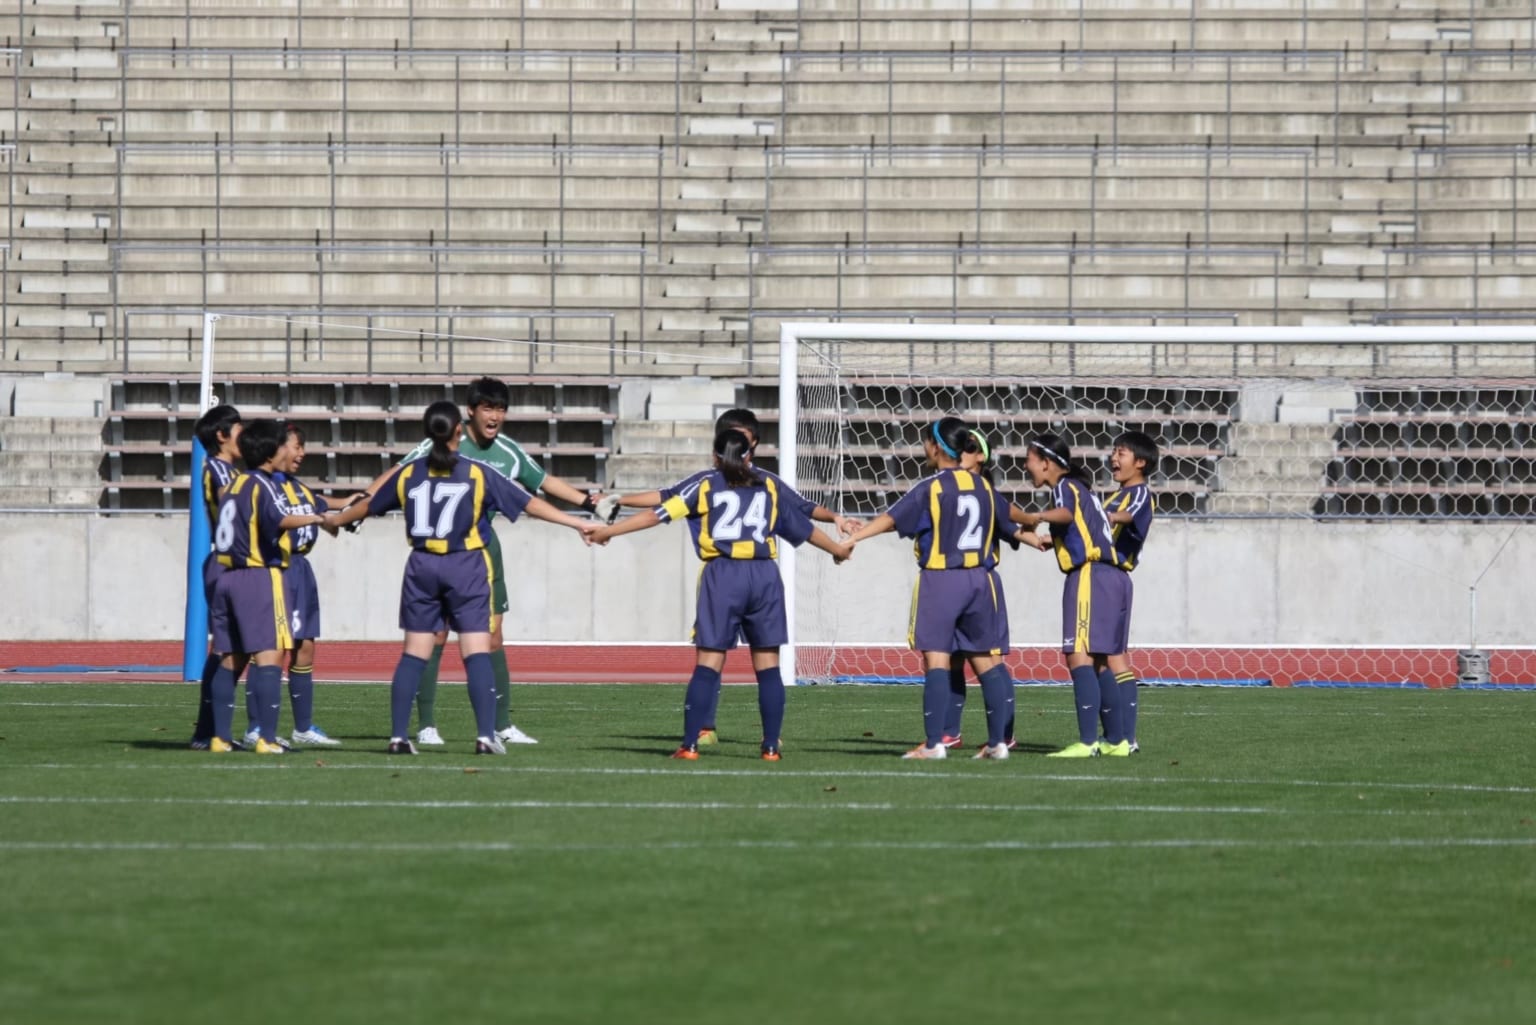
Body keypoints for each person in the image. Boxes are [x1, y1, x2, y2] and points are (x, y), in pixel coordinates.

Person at [332, 401, 598, 754]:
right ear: (459, 430)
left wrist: (331, 521)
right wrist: (578, 521)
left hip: (422, 566)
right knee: (475, 652)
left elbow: (365, 506)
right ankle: (486, 736)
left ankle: (399, 737)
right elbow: (529, 503)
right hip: (466, 565)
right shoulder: (476, 472)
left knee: (414, 654)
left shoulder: (408, 473)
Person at [596, 407, 862, 745]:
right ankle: (770, 745)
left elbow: (660, 511)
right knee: (767, 665)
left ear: (715, 452)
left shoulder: (707, 484)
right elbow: (804, 524)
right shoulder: (768, 486)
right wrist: (837, 550)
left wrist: (611, 531)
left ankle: (693, 740)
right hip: (765, 576)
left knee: (709, 659)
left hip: (722, 575)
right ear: (748, 451)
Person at [843, 417, 1019, 760]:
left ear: (936, 447)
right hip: (980, 580)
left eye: (926, 442)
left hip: (943, 579)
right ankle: (998, 742)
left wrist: (855, 536)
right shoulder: (983, 486)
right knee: (986, 660)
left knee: (936, 659)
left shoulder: (933, 487)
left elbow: (892, 519)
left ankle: (934, 744)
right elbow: (1010, 518)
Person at [205, 419, 334, 754]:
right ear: (270, 451)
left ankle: (219, 737)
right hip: (258, 576)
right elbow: (280, 519)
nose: (285, 451)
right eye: (281, 445)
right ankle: (266, 738)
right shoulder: (263, 484)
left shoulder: (233, 483)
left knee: (231, 656)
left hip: (225, 575)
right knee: (270, 656)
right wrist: (317, 518)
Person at [1014, 432, 1131, 758]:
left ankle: (1087, 741)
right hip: (1112, 575)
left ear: (1047, 463)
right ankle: (1117, 741)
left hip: (1089, 575)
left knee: (1079, 655)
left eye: (1030, 459)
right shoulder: (1086, 491)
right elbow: (1083, 528)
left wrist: (1035, 517)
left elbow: (1065, 514)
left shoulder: (1065, 487)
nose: (1027, 466)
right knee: (1101, 661)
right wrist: (1054, 541)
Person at [269, 423, 358, 747]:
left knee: (305, 647)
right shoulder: (263, 485)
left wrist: (349, 503)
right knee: (273, 649)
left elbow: (319, 504)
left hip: (301, 571)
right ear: (277, 448)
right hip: (277, 569)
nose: (302, 453)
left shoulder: (297, 487)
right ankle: (257, 726)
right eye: (296, 445)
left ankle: (302, 727)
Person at [940, 427, 1025, 750]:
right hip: (951, 583)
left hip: (978, 582)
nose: (960, 452)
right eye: (960, 446)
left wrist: (1032, 531)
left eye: (969, 447)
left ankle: (1003, 735)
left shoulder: (986, 493)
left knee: (987, 660)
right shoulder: (948, 488)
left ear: (980, 456)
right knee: (951, 658)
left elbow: (1014, 527)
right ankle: (950, 732)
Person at [1099, 430, 1159, 753]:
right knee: (1110, 657)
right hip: (1108, 577)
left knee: (1110, 658)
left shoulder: (1137, 493)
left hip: (1111, 575)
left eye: (1121, 453)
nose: (1113, 458)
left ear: (1141, 462)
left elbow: (1131, 514)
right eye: (1114, 452)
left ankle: (1122, 737)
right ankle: (1121, 738)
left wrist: (1106, 516)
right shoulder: (1116, 494)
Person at [188, 404, 242, 750]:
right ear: (222, 435)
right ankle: (216, 733)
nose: (245, 435)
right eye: (239, 429)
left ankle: (208, 731)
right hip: (228, 564)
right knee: (230, 650)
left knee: (226, 650)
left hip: (232, 563)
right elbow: (233, 508)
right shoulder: (219, 471)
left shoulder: (233, 471)